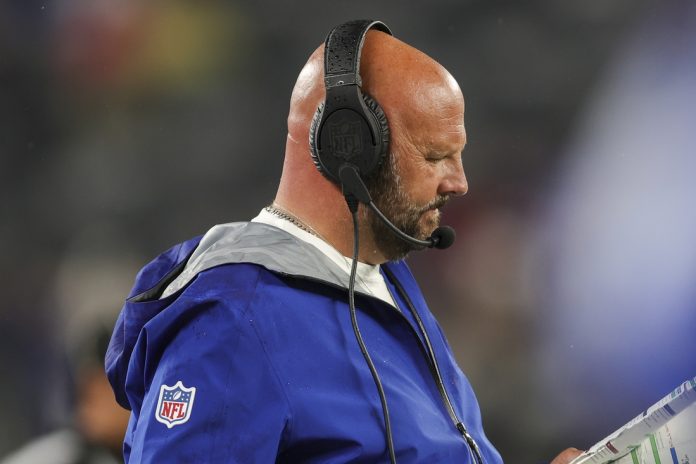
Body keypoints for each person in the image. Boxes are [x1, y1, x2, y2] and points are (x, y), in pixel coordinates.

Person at [106, 20, 581, 463]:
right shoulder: (232, 320)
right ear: (348, 147)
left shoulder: (383, 281)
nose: (459, 182)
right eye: (435, 156)